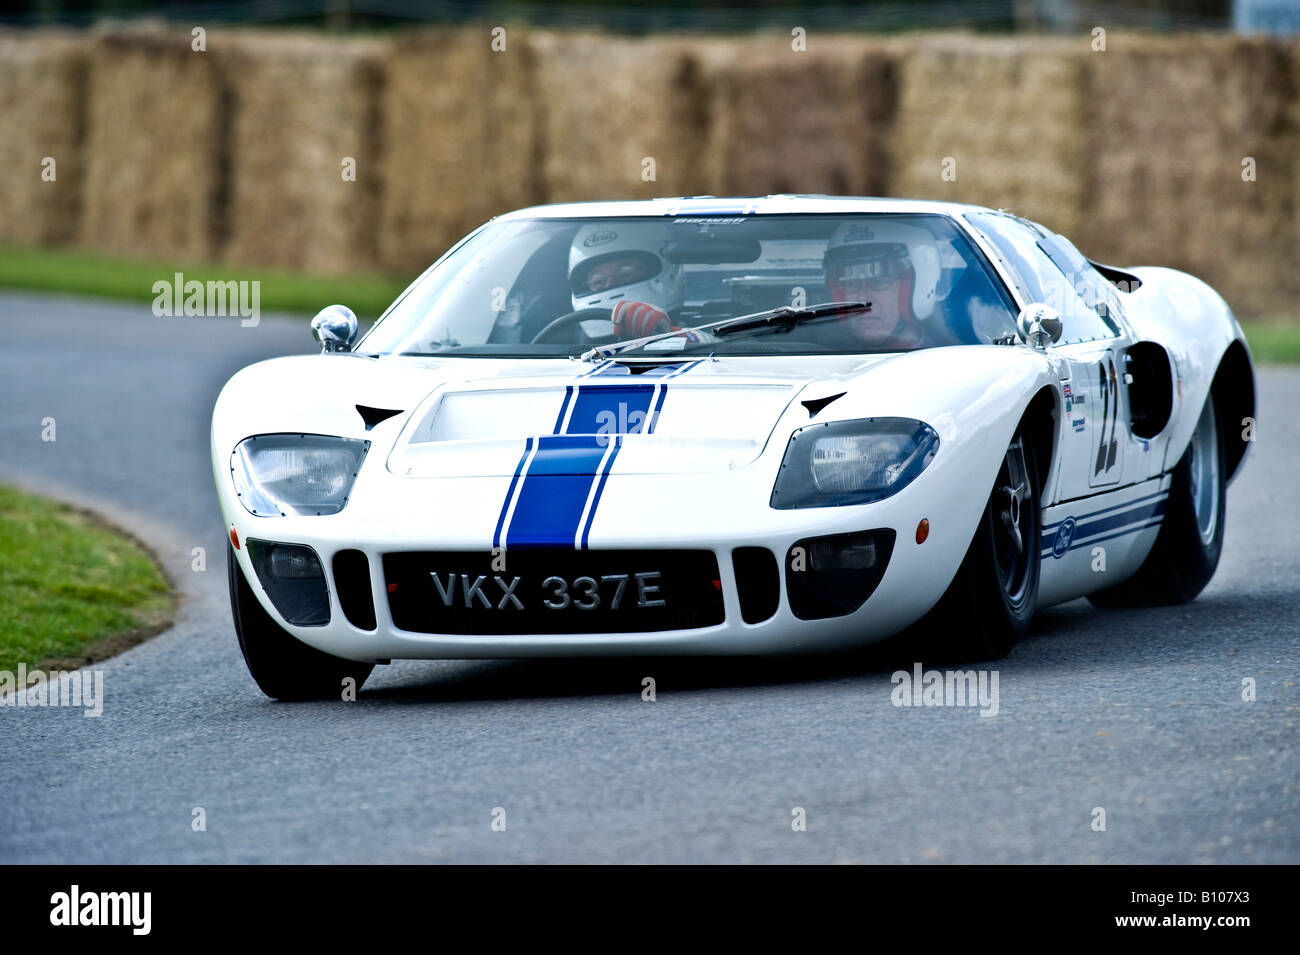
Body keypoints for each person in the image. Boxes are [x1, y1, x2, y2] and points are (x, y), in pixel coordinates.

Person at [822, 221, 943, 350]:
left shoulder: (948, 364)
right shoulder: (820, 356)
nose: (862, 299)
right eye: (851, 284)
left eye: (878, 282)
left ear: (918, 287)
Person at [568, 223, 685, 340]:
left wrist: (670, 333)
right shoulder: (568, 348)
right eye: (598, 281)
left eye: (626, 273)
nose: (610, 284)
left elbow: (699, 342)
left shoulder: (695, 341)